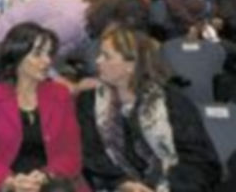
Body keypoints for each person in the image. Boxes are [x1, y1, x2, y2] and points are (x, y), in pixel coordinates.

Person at [77, 26, 221, 192]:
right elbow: (89, 154)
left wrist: (168, 188)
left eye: (107, 57)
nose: (98, 61)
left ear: (131, 65)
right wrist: (122, 183)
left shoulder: (173, 103)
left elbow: (198, 160)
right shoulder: (88, 102)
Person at [0, 23, 89, 192]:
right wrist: (9, 181)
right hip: (7, 185)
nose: (47, 61)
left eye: (49, 53)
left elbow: (72, 154)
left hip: (54, 184)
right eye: (38, 54)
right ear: (17, 56)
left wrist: (46, 176)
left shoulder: (60, 95)